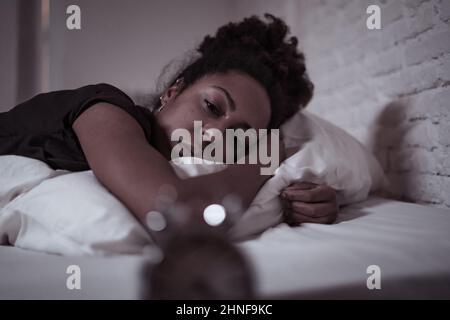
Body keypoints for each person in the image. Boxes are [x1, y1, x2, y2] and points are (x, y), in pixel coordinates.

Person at [0, 14, 338, 240]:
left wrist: (302, 204)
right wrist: (267, 155)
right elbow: (178, 214)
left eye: (240, 136)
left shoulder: (186, 165)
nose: (216, 136)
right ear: (172, 91)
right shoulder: (108, 110)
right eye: (211, 106)